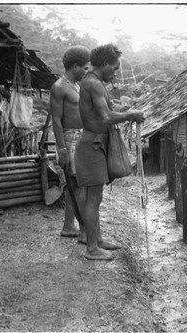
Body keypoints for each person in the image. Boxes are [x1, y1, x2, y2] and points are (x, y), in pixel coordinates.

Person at [75, 43, 145, 260]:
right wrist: (131, 114)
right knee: (93, 198)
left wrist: (125, 112)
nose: (115, 72)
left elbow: (106, 113)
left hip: (98, 143)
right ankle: (91, 249)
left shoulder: (95, 83)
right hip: (92, 145)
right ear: (104, 63)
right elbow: (105, 116)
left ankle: (97, 240)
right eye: (114, 68)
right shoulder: (93, 84)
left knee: (97, 197)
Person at [50, 45, 90, 239]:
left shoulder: (76, 85)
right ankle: (84, 231)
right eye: (85, 68)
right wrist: (62, 149)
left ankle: (68, 226)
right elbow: (56, 120)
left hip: (80, 138)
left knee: (74, 185)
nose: (86, 71)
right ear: (75, 66)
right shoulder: (59, 87)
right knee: (80, 185)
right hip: (69, 139)